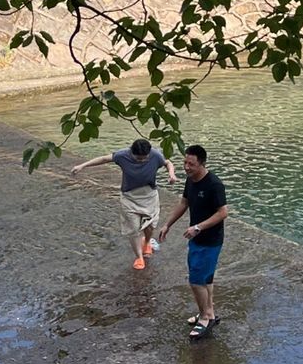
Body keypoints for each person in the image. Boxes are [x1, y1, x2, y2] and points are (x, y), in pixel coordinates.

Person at [72, 137, 176, 270]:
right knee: (133, 228)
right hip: (129, 197)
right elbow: (104, 159)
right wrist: (82, 165)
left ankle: (147, 242)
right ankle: (139, 257)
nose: (142, 160)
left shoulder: (155, 155)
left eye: (144, 158)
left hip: (149, 195)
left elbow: (168, 163)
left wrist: (171, 174)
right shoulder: (122, 155)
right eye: (139, 158)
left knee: (150, 226)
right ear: (132, 153)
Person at [159, 145, 229, 340]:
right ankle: (209, 312)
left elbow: (223, 212)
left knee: (196, 281)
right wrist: (167, 224)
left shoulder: (214, 184)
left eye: (191, 164)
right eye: (185, 163)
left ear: (202, 163)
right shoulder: (191, 181)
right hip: (197, 239)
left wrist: (198, 227)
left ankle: (206, 318)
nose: (187, 167)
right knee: (206, 278)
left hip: (210, 240)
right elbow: (184, 203)